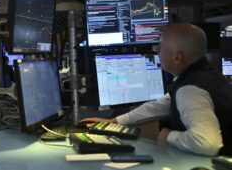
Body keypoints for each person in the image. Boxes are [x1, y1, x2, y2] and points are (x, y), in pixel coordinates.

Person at [79, 23, 232, 156]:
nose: (157, 50)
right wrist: (115, 121)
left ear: (177, 57)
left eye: (162, 46)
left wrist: (168, 136)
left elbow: (207, 143)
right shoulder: (206, 75)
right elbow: (162, 104)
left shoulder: (190, 89)